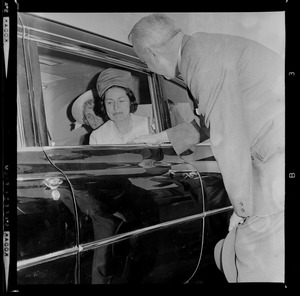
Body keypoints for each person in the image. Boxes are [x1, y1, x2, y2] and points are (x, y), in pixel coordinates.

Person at [128, 14, 284, 282]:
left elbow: (226, 133)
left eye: (145, 62)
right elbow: (209, 120)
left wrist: (242, 208)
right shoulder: (204, 48)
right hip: (275, 156)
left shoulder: (201, 59)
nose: (150, 68)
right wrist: (162, 138)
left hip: (274, 162)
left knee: (252, 256)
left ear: (152, 54)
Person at [89, 68, 154, 144]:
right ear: (103, 105)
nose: (116, 107)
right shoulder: (97, 136)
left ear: (130, 102)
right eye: (109, 102)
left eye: (121, 101)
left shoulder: (149, 126)